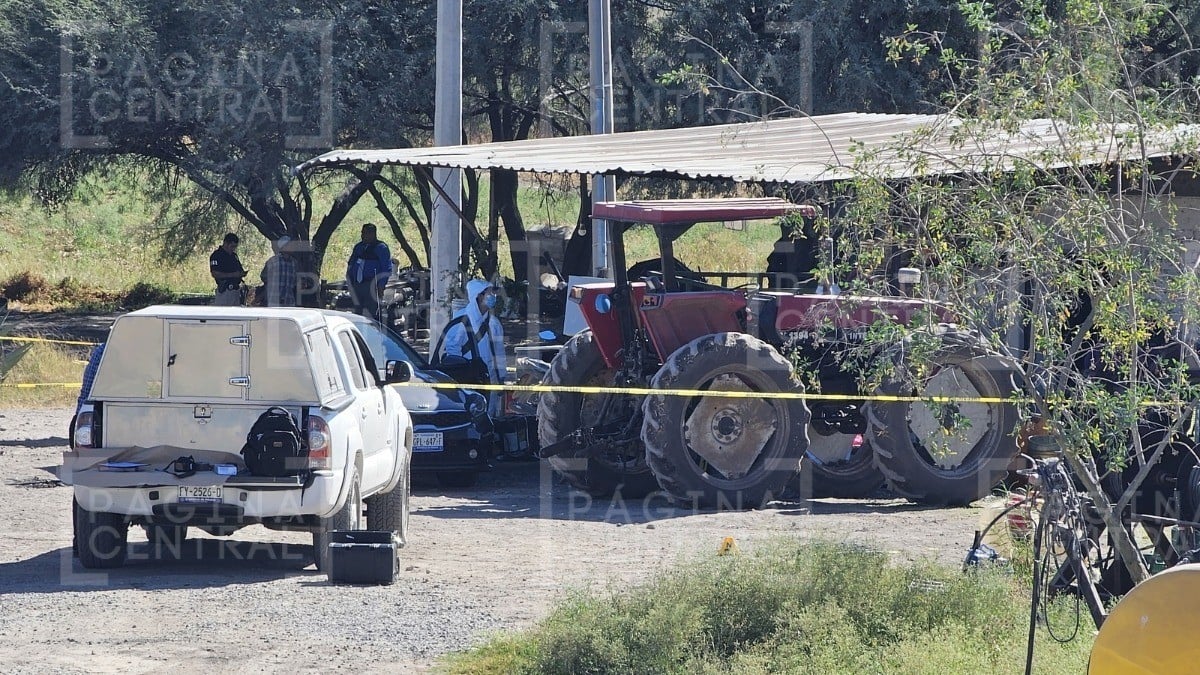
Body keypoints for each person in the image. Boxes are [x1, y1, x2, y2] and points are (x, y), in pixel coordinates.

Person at [440, 278, 506, 416]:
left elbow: (499, 353)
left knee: (489, 417)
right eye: (489, 293)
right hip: (468, 379)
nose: (493, 297)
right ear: (479, 295)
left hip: (490, 381)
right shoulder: (461, 320)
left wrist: (502, 378)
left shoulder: (494, 323)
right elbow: (453, 351)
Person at [346, 223, 392, 322]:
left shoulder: (381, 248)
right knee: (357, 313)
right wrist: (349, 280)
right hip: (357, 284)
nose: (362, 235)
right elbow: (351, 264)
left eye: (365, 233)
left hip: (371, 285)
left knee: (370, 315)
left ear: (373, 234)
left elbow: (386, 268)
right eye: (362, 233)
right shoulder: (359, 247)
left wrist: (381, 286)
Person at [260, 236, 298, 307]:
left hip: (289, 301)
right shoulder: (273, 261)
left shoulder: (294, 263)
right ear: (284, 246)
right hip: (274, 301)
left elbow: (296, 281)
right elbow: (263, 276)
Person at [209, 233, 246, 305]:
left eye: (235, 247)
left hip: (236, 290)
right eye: (232, 246)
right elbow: (215, 273)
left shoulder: (234, 256)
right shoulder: (216, 255)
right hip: (225, 290)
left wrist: (241, 273)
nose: (233, 249)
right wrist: (232, 275)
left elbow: (239, 268)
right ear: (225, 243)